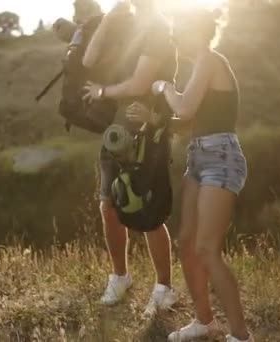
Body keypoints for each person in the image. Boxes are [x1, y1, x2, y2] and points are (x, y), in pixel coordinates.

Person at [125, 5, 254, 342]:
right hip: (198, 156)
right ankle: (204, 321)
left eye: (179, 32)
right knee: (186, 243)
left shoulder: (211, 60)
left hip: (221, 157)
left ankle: (241, 336)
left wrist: (164, 87)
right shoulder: (201, 67)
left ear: (195, 31)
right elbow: (188, 122)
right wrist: (153, 121)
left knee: (208, 249)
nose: (175, 38)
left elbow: (182, 106)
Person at [80, 0, 179, 314]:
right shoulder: (125, 26)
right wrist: (108, 20)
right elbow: (88, 60)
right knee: (108, 203)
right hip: (116, 131)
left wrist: (102, 93)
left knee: (146, 209)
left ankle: (164, 288)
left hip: (146, 132)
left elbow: (140, 83)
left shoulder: (159, 29)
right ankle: (120, 276)